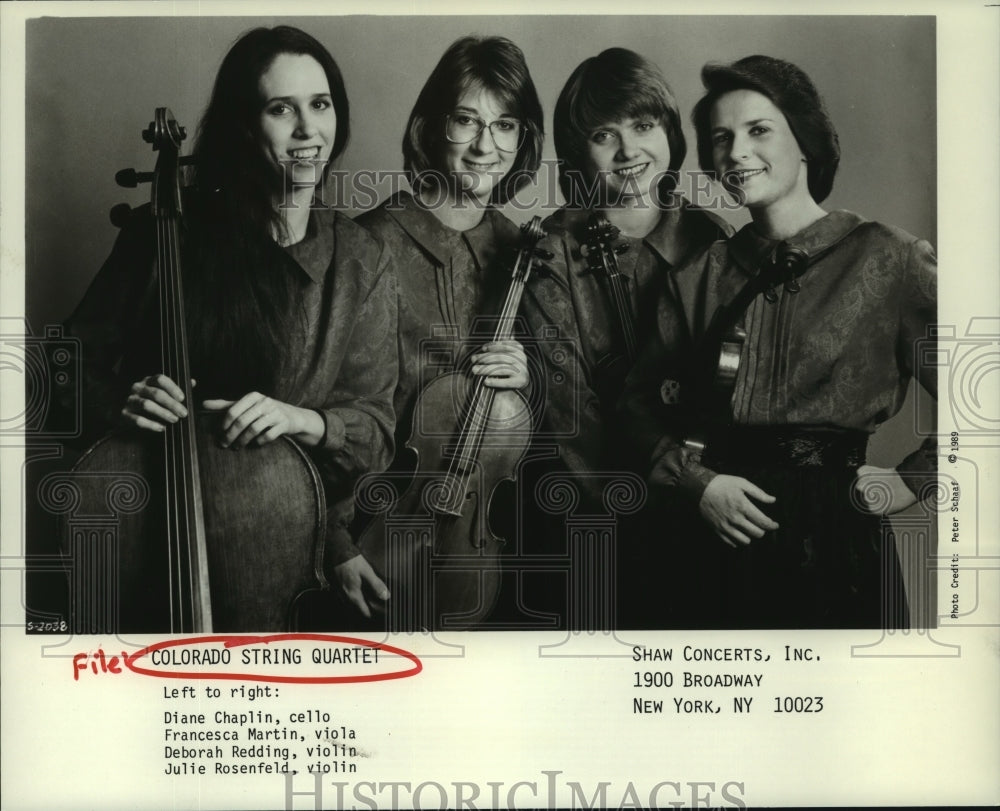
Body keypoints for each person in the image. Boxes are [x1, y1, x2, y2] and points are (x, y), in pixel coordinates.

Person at [60, 26, 398, 628]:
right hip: (154, 531)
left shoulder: (362, 259)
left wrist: (305, 421)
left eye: (320, 105)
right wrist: (118, 399)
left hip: (285, 553)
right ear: (246, 126)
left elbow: (375, 429)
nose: (307, 131)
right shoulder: (167, 234)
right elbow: (57, 371)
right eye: (280, 109)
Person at [620, 55, 937, 629]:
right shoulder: (701, 271)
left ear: (806, 140)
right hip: (710, 528)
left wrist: (912, 482)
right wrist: (696, 483)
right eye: (721, 138)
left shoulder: (889, 258)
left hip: (835, 534)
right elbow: (638, 404)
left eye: (758, 130)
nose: (736, 152)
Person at [518, 48, 731, 627]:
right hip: (599, 514)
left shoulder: (711, 238)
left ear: (669, 130)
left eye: (643, 125)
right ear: (578, 153)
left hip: (706, 503)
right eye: (603, 135)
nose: (629, 150)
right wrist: (640, 505)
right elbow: (571, 412)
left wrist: (702, 483)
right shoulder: (552, 248)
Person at [353, 35, 544, 630]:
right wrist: (337, 542)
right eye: (467, 121)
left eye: (506, 125)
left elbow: (554, 421)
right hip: (373, 527)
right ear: (432, 127)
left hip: (481, 536)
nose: (488, 146)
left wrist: (528, 380)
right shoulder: (366, 242)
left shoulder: (527, 250)